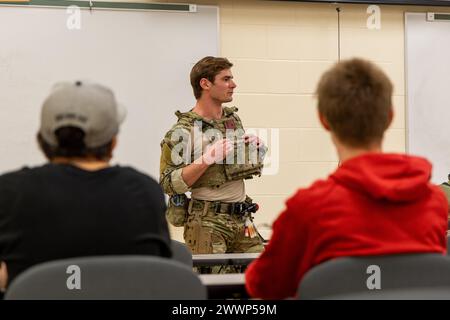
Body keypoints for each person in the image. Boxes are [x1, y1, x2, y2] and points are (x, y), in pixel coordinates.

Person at [245, 58, 448, 300]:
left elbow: (264, 287)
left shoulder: (308, 208)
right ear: (390, 117)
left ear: (324, 120)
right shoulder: (433, 202)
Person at [0, 81, 171, 293]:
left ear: (42, 139)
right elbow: (159, 275)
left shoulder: (9, 191)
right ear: (113, 141)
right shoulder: (146, 191)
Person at [160, 56, 266, 259]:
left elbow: (234, 167)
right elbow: (168, 183)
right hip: (208, 223)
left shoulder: (232, 120)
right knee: (214, 285)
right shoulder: (183, 131)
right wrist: (208, 158)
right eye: (226, 79)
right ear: (205, 83)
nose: (233, 84)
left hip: (243, 219)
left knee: (261, 278)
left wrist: (254, 148)